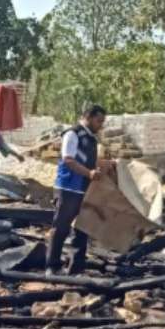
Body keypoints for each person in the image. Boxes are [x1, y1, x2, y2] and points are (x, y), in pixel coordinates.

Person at [48, 104, 115, 275]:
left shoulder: (90, 137)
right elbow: (69, 160)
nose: (101, 125)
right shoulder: (72, 134)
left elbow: (86, 160)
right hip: (68, 188)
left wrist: (105, 165)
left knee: (82, 228)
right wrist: (90, 173)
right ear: (89, 117)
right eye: (99, 121)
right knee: (61, 227)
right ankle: (52, 266)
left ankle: (76, 268)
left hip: (84, 189)